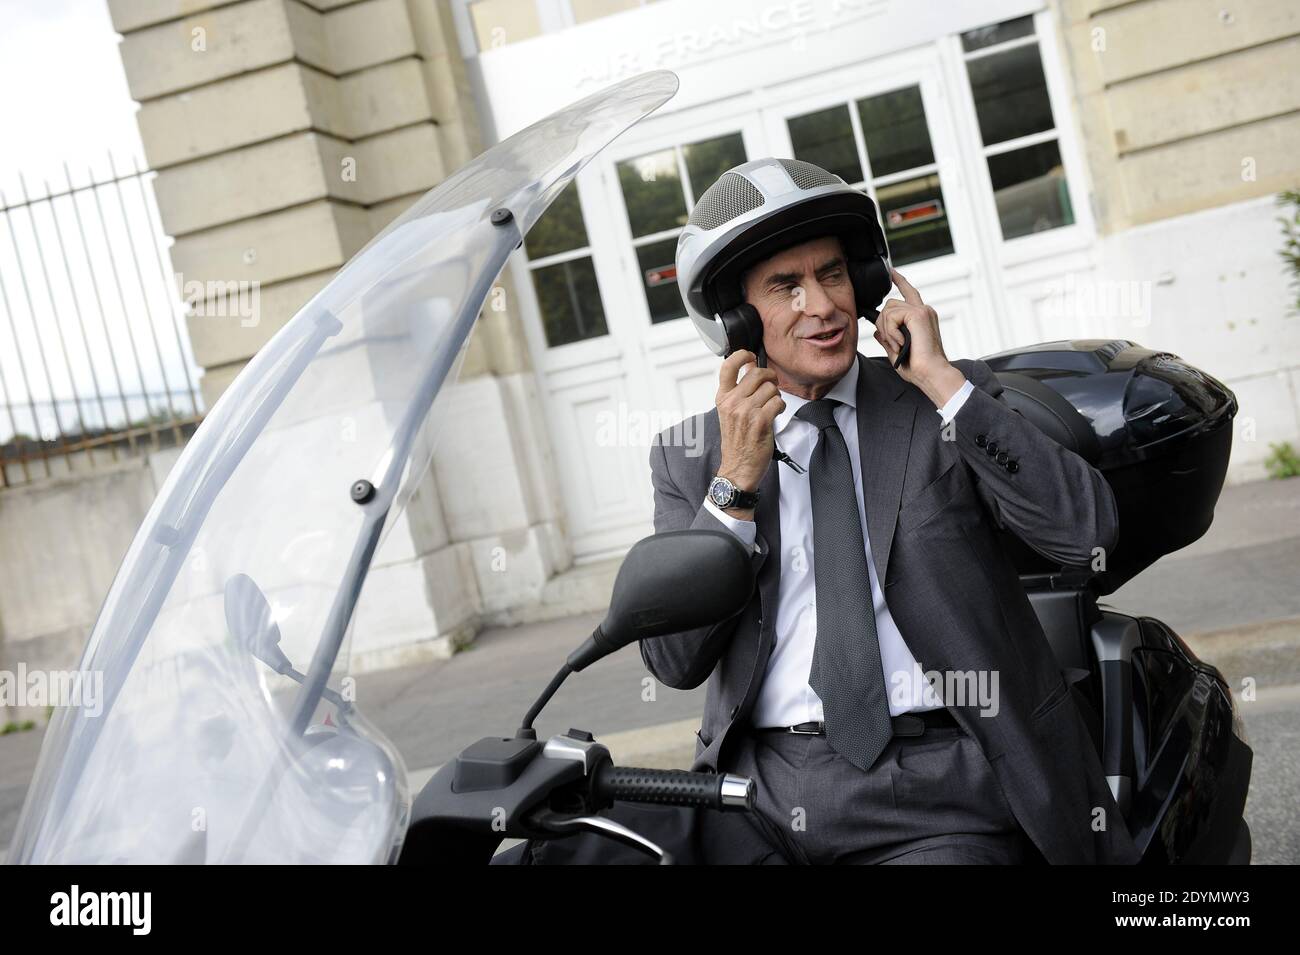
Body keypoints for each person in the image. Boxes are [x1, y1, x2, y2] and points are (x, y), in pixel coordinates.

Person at [638, 157, 1140, 864]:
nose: (822, 306)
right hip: (760, 799)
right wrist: (735, 486)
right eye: (787, 285)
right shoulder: (691, 457)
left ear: (866, 282)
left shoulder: (941, 404)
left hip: (939, 788)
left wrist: (943, 380)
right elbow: (673, 660)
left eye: (834, 274)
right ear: (737, 318)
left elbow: (1086, 532)